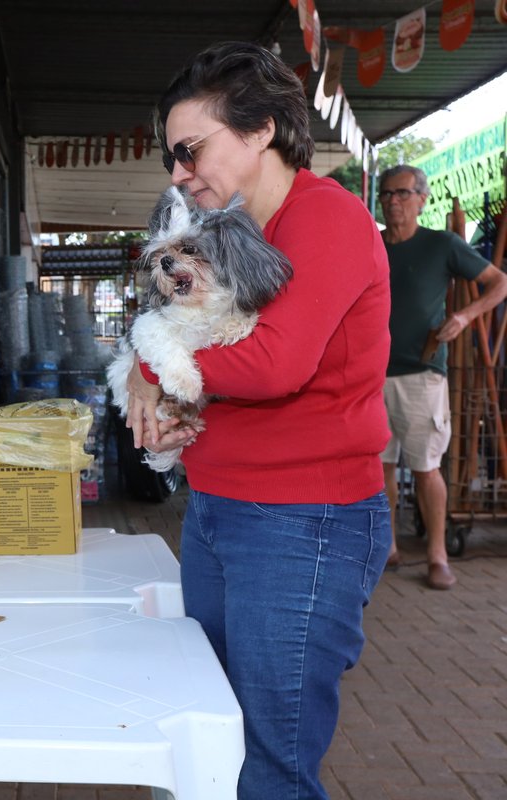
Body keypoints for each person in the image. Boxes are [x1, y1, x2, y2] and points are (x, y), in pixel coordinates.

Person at [122, 43, 391, 799]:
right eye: (173, 156)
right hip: (218, 509)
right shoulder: (228, 228)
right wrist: (165, 398)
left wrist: (155, 370)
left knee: (272, 763)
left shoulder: (327, 218)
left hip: (305, 520)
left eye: (190, 149)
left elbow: (276, 364)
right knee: (220, 736)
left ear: (261, 129)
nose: (178, 171)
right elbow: (197, 347)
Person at [378, 164, 507, 590]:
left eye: (402, 193)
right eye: (386, 194)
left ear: (422, 199)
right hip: (373, 374)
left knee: (426, 467)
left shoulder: (442, 244)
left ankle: (437, 554)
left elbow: (499, 283)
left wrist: (465, 316)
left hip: (422, 372)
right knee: (380, 466)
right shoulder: (372, 246)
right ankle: (388, 548)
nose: (393, 201)